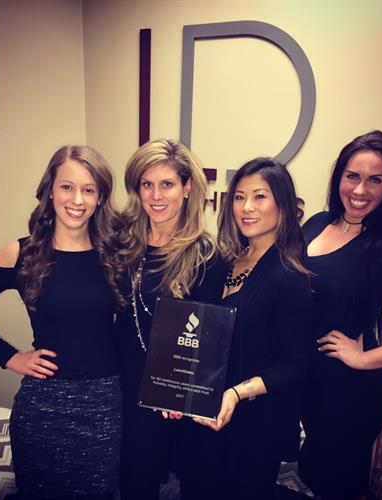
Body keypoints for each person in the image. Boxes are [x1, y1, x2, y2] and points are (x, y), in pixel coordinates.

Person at [0, 145, 124, 500]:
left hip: (103, 405)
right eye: (67, 187)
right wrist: (9, 356)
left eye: (88, 189)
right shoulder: (21, 253)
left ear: (100, 197)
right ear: (50, 189)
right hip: (43, 407)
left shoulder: (116, 254)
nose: (77, 200)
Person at [182, 157, 313, 500]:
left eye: (259, 196)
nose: (247, 207)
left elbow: (295, 364)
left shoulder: (288, 277)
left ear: (282, 205)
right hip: (207, 413)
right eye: (239, 197)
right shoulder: (224, 262)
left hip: (253, 423)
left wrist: (237, 393)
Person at [115, 138, 226, 500]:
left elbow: (206, 337)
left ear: (187, 187)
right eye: (147, 184)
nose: (156, 195)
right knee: (134, 483)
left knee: (190, 481)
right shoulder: (123, 242)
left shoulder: (205, 255)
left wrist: (181, 393)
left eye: (167, 184)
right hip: (124, 385)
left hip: (172, 392)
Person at [297, 130, 382, 499]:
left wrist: (363, 359)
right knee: (312, 473)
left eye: (376, 180)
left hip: (349, 394)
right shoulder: (317, 223)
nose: (360, 190)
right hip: (309, 380)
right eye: (353, 176)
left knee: (336, 484)